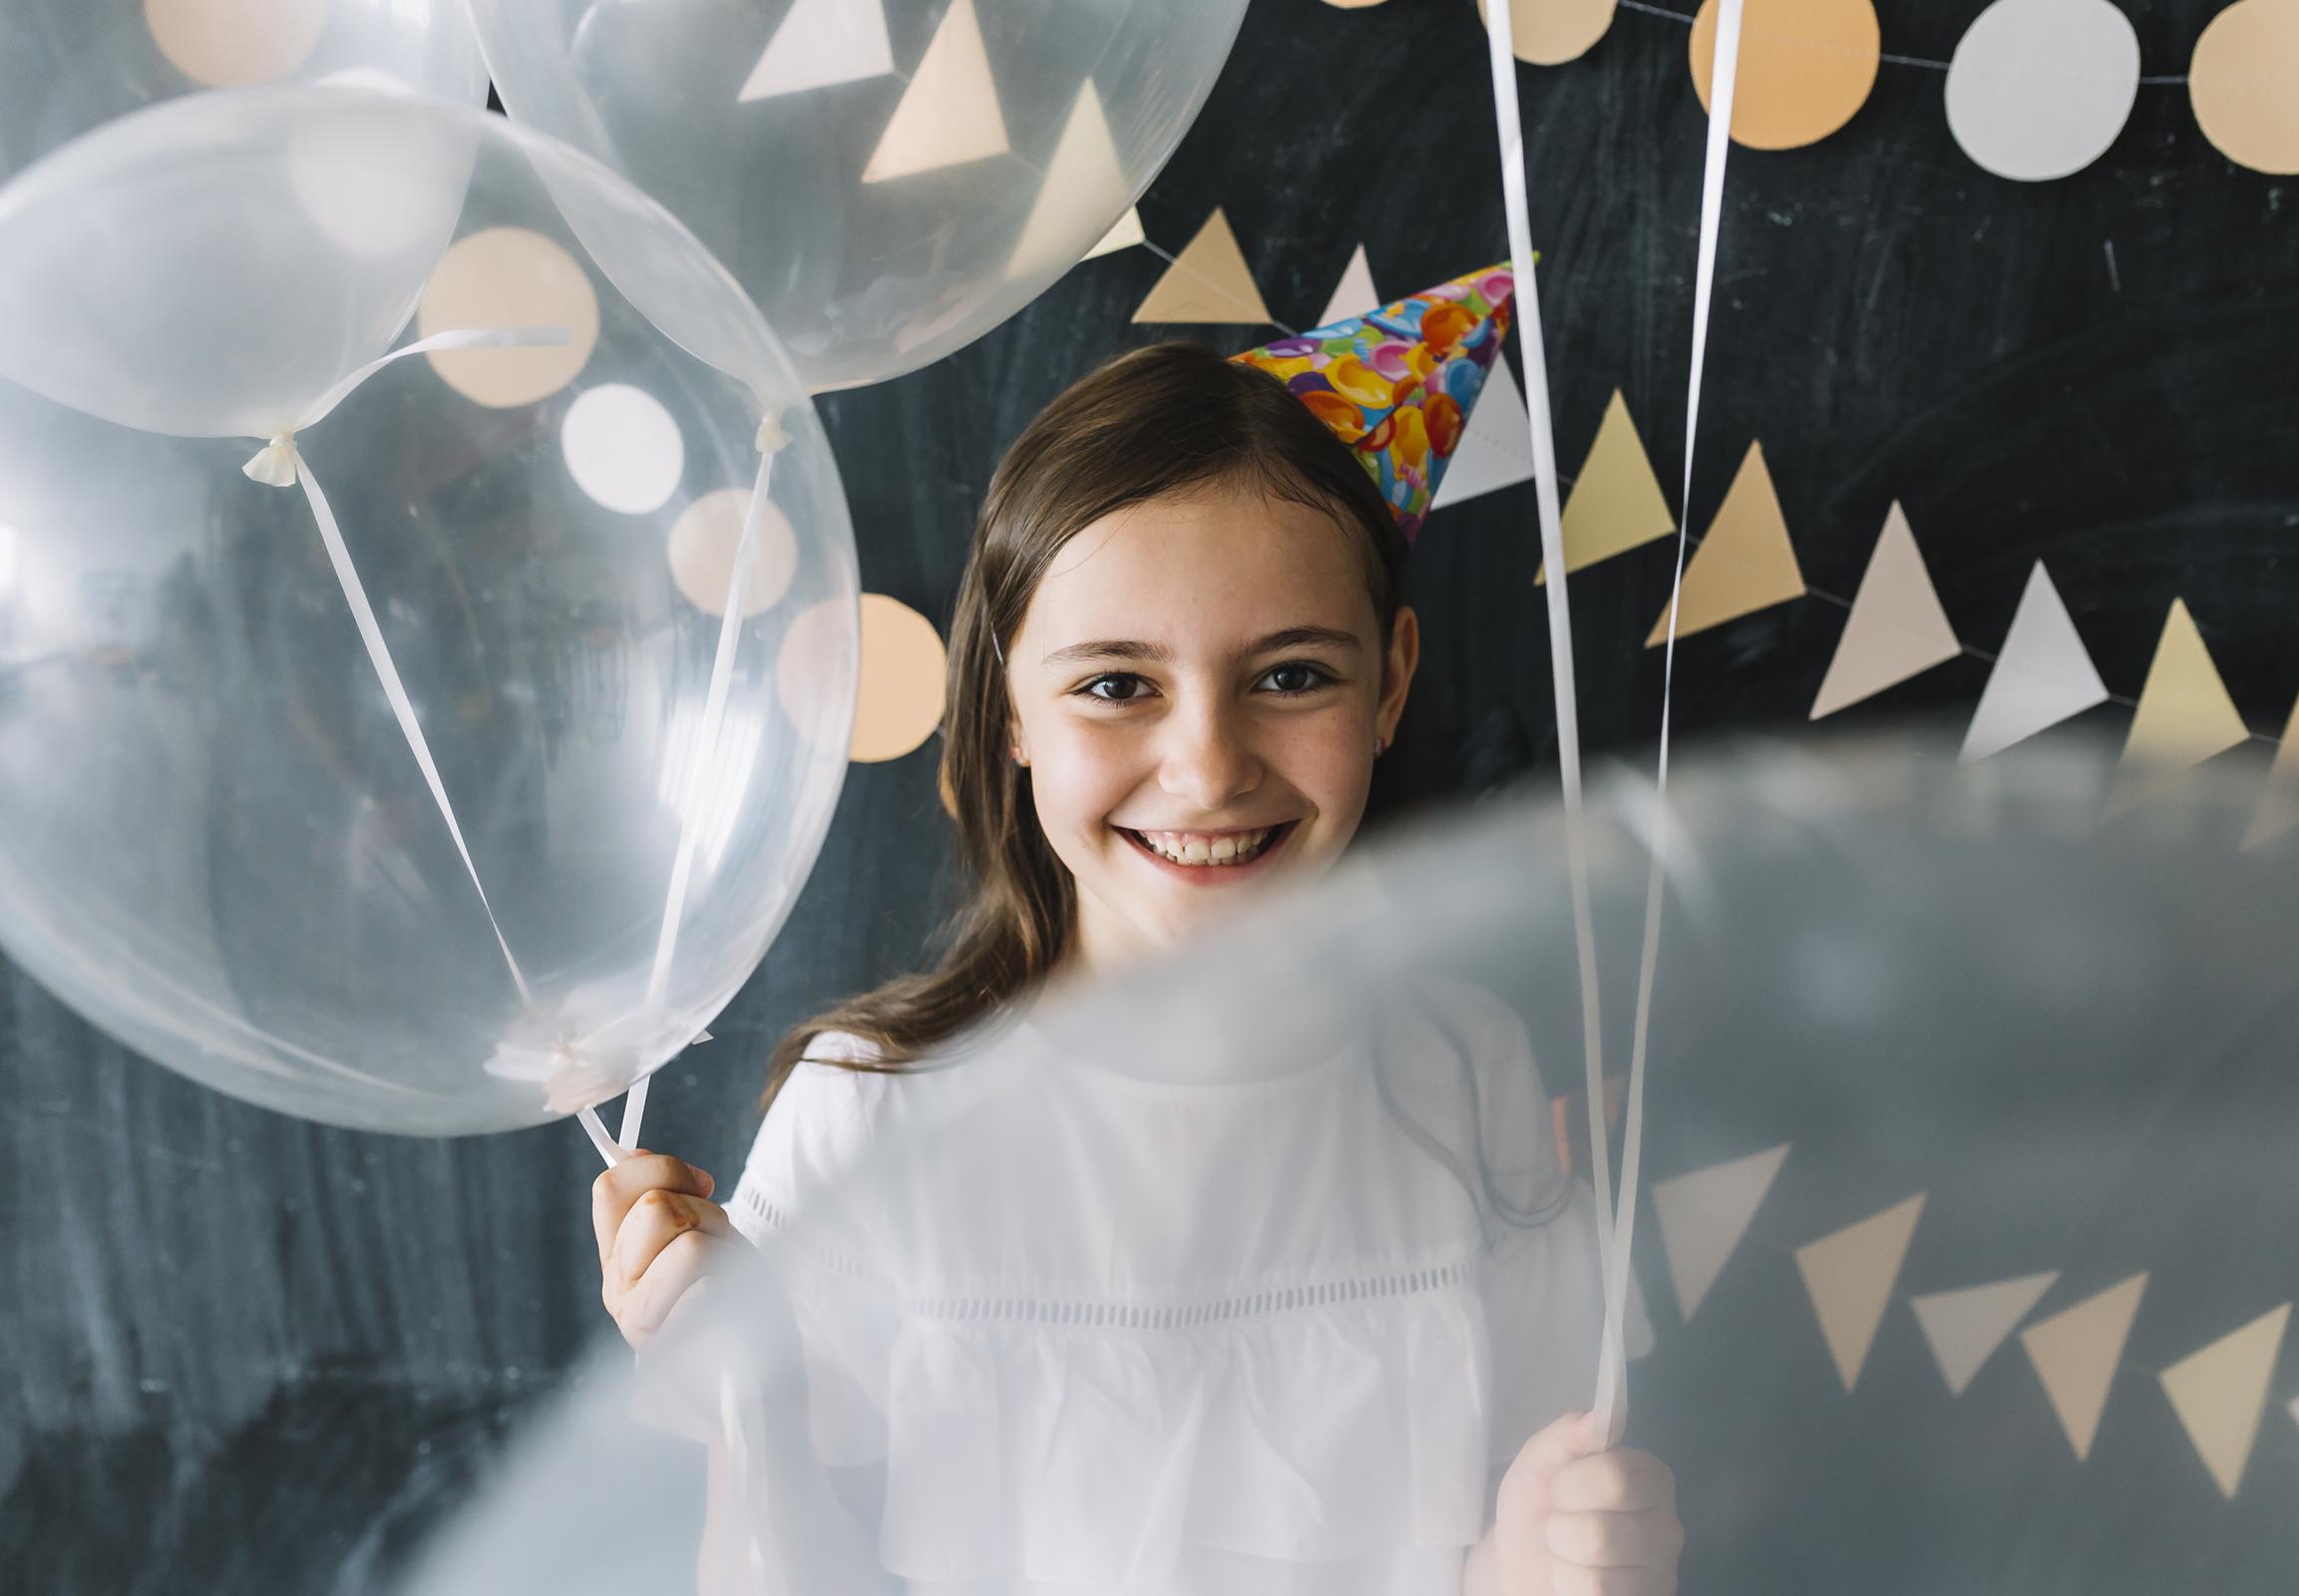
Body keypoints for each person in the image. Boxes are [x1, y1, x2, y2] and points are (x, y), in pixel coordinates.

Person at [591, 270, 1684, 1596]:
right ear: (1006, 711)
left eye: (1291, 677)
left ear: (1391, 681)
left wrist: (1550, 1556)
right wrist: (746, 1411)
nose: (1209, 766)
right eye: (1117, 686)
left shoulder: (1467, 1078)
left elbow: (1499, 1553)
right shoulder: (873, 1121)